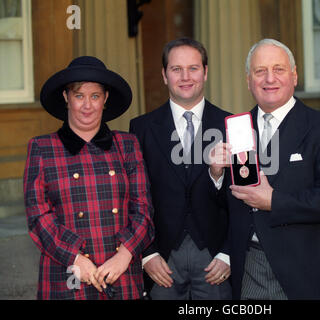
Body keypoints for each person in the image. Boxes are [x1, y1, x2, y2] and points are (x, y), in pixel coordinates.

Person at [211, 39, 320, 300]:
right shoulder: (236, 128)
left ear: (294, 75)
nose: (269, 78)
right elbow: (226, 206)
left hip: (301, 271)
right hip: (249, 267)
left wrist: (274, 201)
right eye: (260, 71)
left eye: (279, 69)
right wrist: (216, 175)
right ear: (248, 80)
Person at [23, 56, 155, 299]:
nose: (87, 105)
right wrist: (74, 257)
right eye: (79, 95)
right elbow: (38, 217)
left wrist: (124, 255)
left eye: (95, 96)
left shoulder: (127, 144)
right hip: (66, 276)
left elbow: (144, 210)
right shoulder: (42, 148)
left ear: (105, 99)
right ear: (66, 97)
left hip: (121, 275)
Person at [129, 37, 232, 300]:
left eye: (193, 68)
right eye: (176, 69)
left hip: (214, 260)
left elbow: (243, 196)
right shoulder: (140, 129)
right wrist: (147, 253)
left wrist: (228, 253)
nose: (185, 77)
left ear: (206, 72)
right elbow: (134, 197)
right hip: (161, 260)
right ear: (164, 75)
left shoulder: (232, 124)